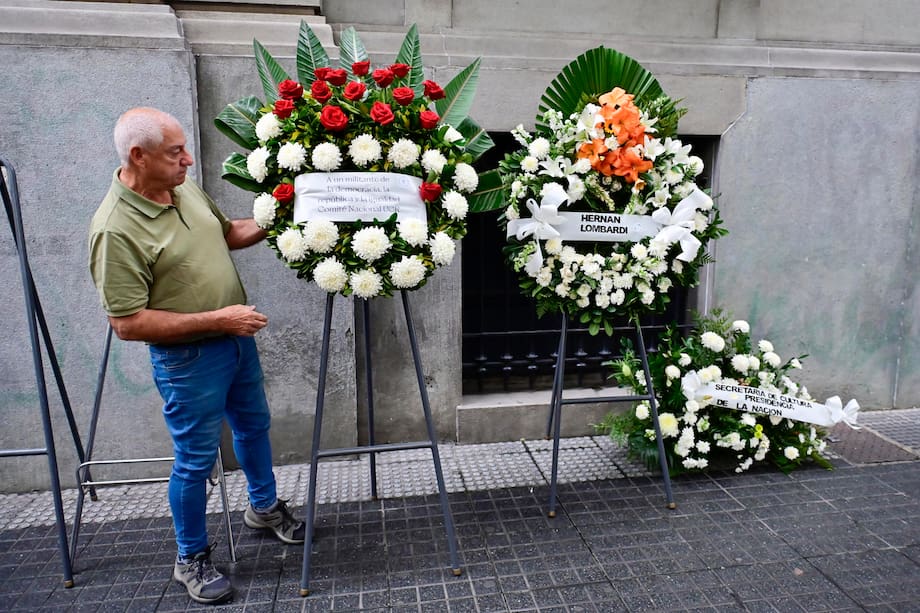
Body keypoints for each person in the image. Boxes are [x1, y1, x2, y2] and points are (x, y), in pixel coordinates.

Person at [88, 107, 304, 605]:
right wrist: (217, 320)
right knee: (195, 461)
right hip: (188, 360)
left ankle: (264, 507)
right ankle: (191, 558)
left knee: (253, 427)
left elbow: (228, 233)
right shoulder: (114, 229)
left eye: (184, 148)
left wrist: (286, 215)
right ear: (138, 157)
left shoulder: (183, 187)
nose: (188, 159)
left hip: (236, 339)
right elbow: (126, 323)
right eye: (174, 152)